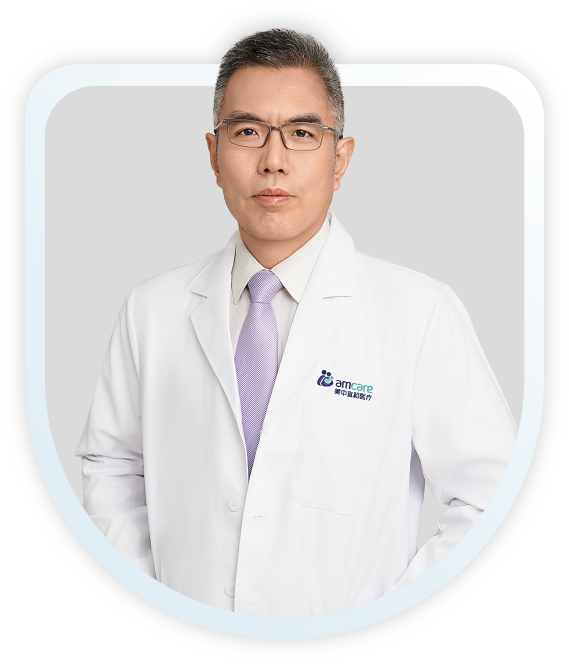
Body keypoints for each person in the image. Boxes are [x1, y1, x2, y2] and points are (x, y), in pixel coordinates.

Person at [76, 28, 524, 619]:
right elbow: (110, 466)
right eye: (247, 132)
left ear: (341, 159)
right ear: (213, 155)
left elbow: (496, 499)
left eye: (303, 133)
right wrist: (151, 613)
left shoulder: (418, 313)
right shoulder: (151, 311)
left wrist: (390, 637)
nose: (273, 160)